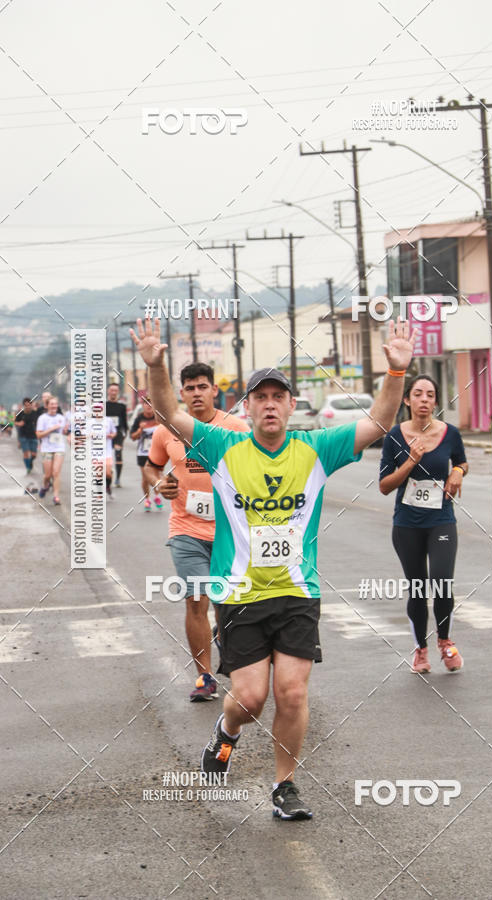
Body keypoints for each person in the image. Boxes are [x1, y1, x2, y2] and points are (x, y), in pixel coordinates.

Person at [131, 315, 416, 821]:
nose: (268, 404)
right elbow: (172, 413)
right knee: (250, 698)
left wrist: (395, 374)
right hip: (239, 595)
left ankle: (284, 786)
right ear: (248, 408)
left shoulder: (315, 448)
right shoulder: (222, 447)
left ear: (289, 406)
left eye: (276, 396)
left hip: (296, 591)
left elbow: (378, 422)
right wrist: (155, 365)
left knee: (291, 690)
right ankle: (227, 733)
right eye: (259, 397)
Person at [144, 363, 249, 701]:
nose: (196, 394)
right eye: (189, 388)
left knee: (226, 603)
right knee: (196, 599)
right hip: (185, 528)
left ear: (214, 390)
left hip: (229, 531)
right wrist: (160, 483)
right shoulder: (167, 429)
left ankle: (225, 640)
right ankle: (204, 676)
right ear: (182, 393)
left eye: (202, 387)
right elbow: (151, 466)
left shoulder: (235, 428)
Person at [379, 374, 468, 675]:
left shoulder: (450, 433)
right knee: (418, 588)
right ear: (407, 400)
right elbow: (385, 486)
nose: (424, 400)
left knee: (442, 581)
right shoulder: (394, 436)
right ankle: (422, 649)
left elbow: (462, 460)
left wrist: (457, 470)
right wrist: (410, 462)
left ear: (436, 401)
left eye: (430, 395)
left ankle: (445, 641)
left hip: (441, 519)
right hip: (407, 524)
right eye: (418, 394)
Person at [130, 396, 162, 511]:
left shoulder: (159, 418)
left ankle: (157, 496)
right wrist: (140, 430)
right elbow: (132, 437)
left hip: (157, 452)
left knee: (157, 476)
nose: (149, 406)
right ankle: (147, 499)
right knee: (145, 477)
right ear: (143, 406)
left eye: (151, 403)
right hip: (143, 453)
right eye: (146, 403)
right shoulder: (139, 419)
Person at [36, 397, 67, 504]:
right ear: (47, 405)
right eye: (51, 404)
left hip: (59, 448)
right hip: (47, 448)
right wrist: (51, 429)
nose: (54, 406)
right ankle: (45, 486)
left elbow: (64, 432)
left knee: (56, 472)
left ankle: (56, 496)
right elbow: (38, 434)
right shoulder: (42, 418)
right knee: (48, 475)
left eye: (55, 404)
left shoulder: (61, 418)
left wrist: (66, 431)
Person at [106, 383, 128, 487]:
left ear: (118, 392)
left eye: (115, 390)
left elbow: (124, 421)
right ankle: (107, 474)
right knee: (107, 456)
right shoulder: (103, 405)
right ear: (108, 391)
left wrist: (124, 434)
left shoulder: (122, 406)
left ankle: (118, 479)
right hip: (106, 434)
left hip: (118, 433)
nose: (113, 392)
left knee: (118, 454)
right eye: (112, 390)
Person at [15, 398, 39, 476]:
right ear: (24, 405)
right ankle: (28, 467)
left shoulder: (35, 413)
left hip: (33, 436)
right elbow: (14, 422)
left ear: (31, 405)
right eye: (26, 405)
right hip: (23, 436)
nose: (28, 406)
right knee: (26, 453)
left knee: (34, 454)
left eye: (29, 405)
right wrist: (19, 423)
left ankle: (30, 462)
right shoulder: (20, 413)